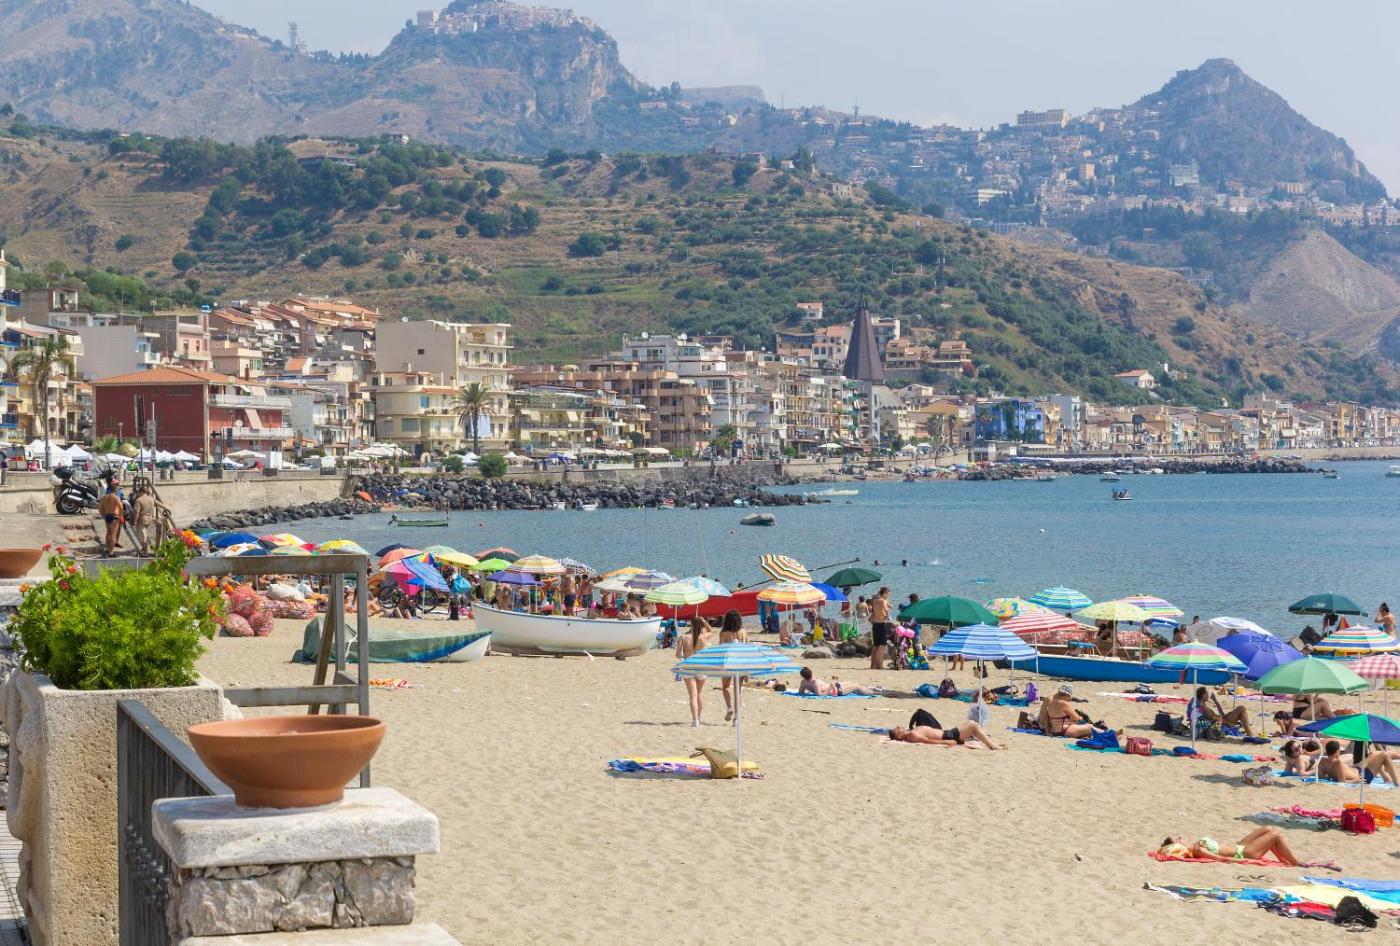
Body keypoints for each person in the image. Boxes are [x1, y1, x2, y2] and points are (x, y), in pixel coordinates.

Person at [1157, 827, 1300, 865]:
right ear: (1178, 846)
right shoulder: (1198, 850)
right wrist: (1250, 861)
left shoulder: (1196, 845)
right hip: (1244, 853)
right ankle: (1296, 863)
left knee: (1267, 829)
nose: (1180, 838)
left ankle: (1283, 859)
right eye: (1178, 840)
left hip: (1239, 846)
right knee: (1275, 834)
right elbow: (1222, 859)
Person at [676, 617, 712, 726]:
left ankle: (695, 719)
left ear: (690, 625)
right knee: (699, 693)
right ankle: (699, 718)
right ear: (700, 626)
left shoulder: (683, 637)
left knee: (693, 695)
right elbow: (710, 630)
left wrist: (685, 655)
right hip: (701, 666)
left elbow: (677, 655)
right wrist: (704, 621)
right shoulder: (703, 637)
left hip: (688, 666)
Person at [1318, 739, 1400, 785]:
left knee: (1372, 754)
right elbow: (1341, 782)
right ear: (1336, 752)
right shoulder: (1338, 763)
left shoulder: (1322, 761)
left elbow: (1321, 777)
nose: (1340, 752)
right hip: (1362, 777)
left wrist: (1331, 775)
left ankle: (1386, 778)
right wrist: (1354, 781)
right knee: (1385, 755)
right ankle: (1397, 782)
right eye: (1339, 750)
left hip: (1357, 769)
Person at [1037, 684, 1104, 739]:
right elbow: (1046, 717)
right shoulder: (1057, 702)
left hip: (1054, 728)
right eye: (1070, 696)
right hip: (1047, 727)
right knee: (1089, 726)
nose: (1070, 699)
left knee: (1082, 726)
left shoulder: (1054, 700)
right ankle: (1106, 733)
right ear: (1067, 695)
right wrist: (1047, 732)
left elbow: (1051, 715)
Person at [887, 721, 1005, 750]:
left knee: (971, 724)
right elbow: (927, 741)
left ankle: (991, 743)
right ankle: (992, 746)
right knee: (973, 725)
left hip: (948, 733)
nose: (898, 726)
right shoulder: (912, 735)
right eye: (897, 729)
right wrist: (945, 742)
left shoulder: (910, 732)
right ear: (899, 736)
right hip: (948, 736)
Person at [718, 609, 746, 723]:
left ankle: (729, 707)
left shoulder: (724, 633)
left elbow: (721, 650)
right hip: (741, 663)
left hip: (728, 662)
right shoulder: (743, 632)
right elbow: (746, 648)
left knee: (725, 687)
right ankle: (737, 718)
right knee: (738, 691)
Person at [796, 666, 882, 696]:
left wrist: (809, 691)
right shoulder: (815, 683)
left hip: (836, 686)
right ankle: (876, 692)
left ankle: (873, 688)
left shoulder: (803, 682)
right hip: (836, 690)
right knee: (857, 686)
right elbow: (820, 695)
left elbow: (801, 692)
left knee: (851, 683)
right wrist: (830, 687)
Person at [98, 483, 124, 557]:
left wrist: (102, 514)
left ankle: (107, 548)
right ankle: (111, 552)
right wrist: (120, 516)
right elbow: (121, 507)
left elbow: (99, 507)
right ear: (115, 490)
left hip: (107, 516)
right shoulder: (115, 497)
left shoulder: (105, 497)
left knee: (108, 533)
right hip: (114, 516)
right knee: (113, 534)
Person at [869, 587, 892, 670]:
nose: (888, 596)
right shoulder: (883, 601)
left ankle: (873, 665)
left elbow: (872, 613)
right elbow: (886, 611)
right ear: (884, 593)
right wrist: (887, 617)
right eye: (888, 594)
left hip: (875, 624)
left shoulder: (875, 601)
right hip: (882, 624)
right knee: (882, 646)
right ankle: (879, 665)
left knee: (875, 645)